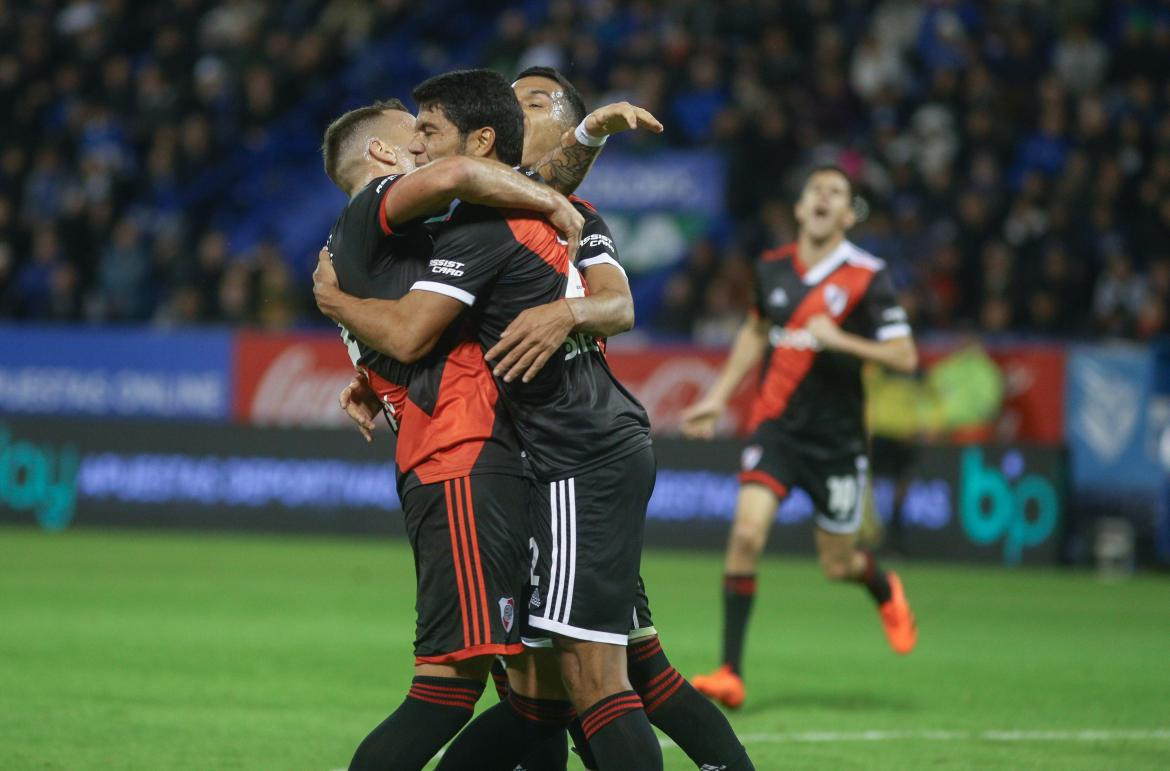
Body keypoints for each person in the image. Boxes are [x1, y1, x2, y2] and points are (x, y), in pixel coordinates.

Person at [314, 69, 663, 770]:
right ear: (383, 156)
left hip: (473, 460)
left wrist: (587, 136)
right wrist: (548, 201)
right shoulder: (387, 197)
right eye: (411, 132)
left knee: (538, 694)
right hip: (461, 457)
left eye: (428, 128)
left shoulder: (389, 235)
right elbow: (467, 188)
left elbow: (490, 183)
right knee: (451, 687)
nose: (419, 139)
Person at [445, 66, 752, 771]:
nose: (512, 111)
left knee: (566, 683)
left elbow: (619, 305)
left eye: (531, 101)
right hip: (539, 467)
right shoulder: (492, 213)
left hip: (572, 459)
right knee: (639, 666)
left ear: (560, 126)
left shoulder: (575, 216)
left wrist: (567, 311)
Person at [682, 166, 920, 710]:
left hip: (836, 442)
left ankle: (884, 589)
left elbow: (905, 355)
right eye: (815, 189)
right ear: (799, 208)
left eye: (835, 193)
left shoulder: (867, 276)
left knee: (838, 565)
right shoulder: (771, 269)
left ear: (847, 214)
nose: (822, 197)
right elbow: (755, 331)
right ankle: (730, 672)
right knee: (745, 534)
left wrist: (840, 341)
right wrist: (720, 395)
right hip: (777, 427)